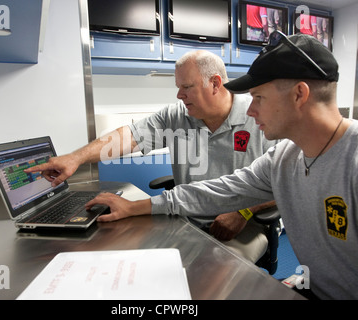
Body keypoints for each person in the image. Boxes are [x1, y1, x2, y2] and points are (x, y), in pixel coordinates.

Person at [85, 32, 358, 300]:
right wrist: (134, 207)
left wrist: (243, 213)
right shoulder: (283, 158)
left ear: (299, 94)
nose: (251, 109)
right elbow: (216, 192)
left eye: (259, 97)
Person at [25, 50, 278, 263]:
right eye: (178, 88)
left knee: (214, 278)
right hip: (185, 215)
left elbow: (281, 179)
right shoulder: (177, 116)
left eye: (186, 87)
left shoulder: (259, 116)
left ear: (214, 83)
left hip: (243, 223)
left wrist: (243, 212)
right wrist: (75, 158)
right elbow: (130, 137)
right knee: (142, 262)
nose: (179, 96)